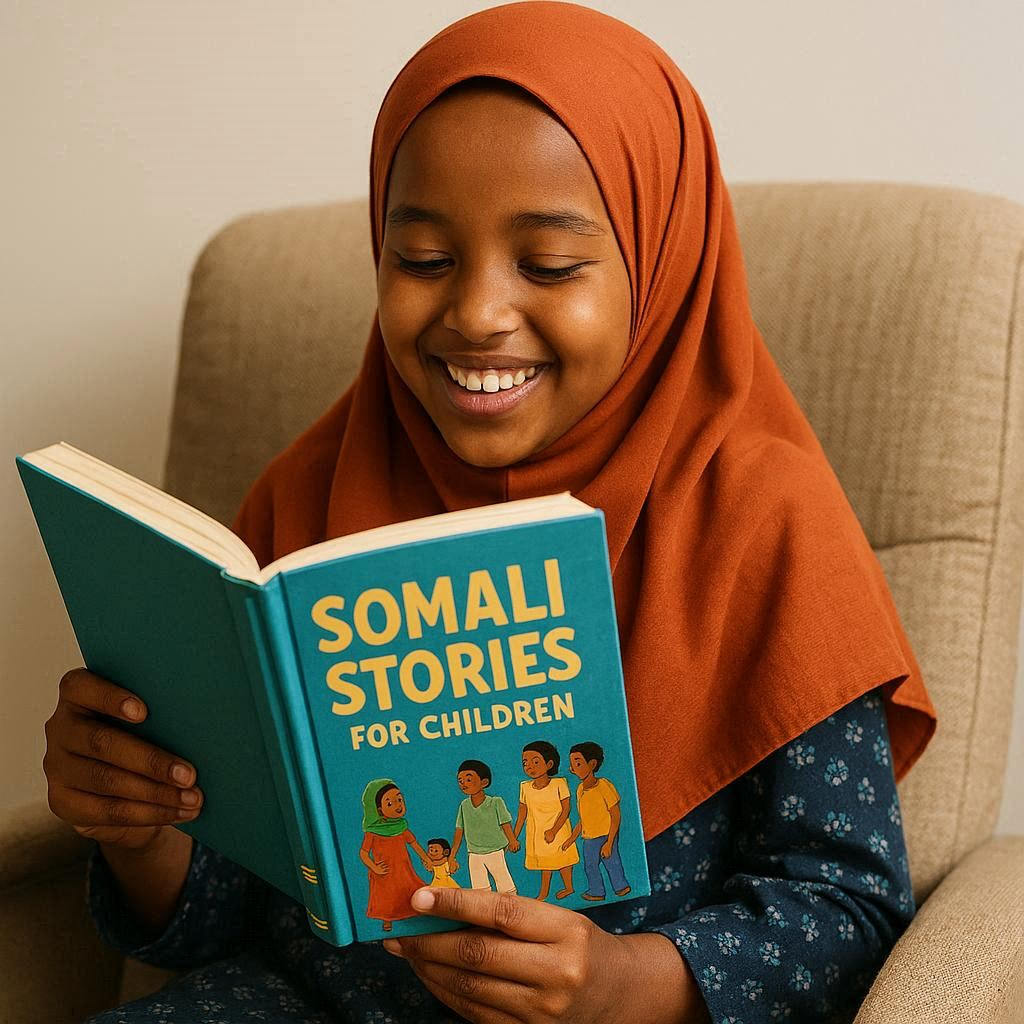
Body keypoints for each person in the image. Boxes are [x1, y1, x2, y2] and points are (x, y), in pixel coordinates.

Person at [44, 3, 938, 1022]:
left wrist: (621, 985)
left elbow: (849, 911)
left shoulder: (765, 520)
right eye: (421, 259)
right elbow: (221, 913)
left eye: (550, 265)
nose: (475, 313)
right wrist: (137, 824)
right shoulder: (302, 496)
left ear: (660, 260)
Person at [358, 778, 433, 932]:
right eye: (390, 803)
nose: (398, 805)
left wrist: (426, 859)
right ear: (379, 810)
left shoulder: (401, 827)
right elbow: (363, 853)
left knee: (408, 891)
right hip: (384, 872)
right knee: (387, 898)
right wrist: (374, 868)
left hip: (403, 869)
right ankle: (387, 922)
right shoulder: (372, 832)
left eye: (399, 799)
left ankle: (414, 915)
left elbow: (414, 844)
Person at [561, 741, 631, 901]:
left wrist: (610, 841)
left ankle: (621, 887)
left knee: (612, 862)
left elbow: (615, 815)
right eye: (572, 764)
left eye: (578, 763)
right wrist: (572, 838)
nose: (573, 768)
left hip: (606, 834)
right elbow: (582, 819)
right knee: (590, 866)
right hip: (589, 837)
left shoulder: (604, 785)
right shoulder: (579, 790)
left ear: (592, 764)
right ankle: (596, 892)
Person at [513, 740, 579, 900]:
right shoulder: (525, 787)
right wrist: (514, 835)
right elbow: (522, 812)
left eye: (536, 761)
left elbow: (566, 809)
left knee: (564, 859)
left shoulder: (559, 783)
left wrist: (554, 831)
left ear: (549, 764)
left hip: (558, 829)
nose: (530, 766)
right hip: (537, 831)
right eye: (525, 762)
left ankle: (569, 887)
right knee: (545, 864)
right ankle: (543, 892)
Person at [449, 759, 520, 893]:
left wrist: (512, 840)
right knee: (480, 889)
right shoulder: (464, 805)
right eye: (460, 780)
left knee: (504, 885)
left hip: (494, 850)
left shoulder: (495, 802)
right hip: (474, 853)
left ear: (484, 782)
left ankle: (512, 908)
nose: (463, 784)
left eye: (468, 779)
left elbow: (505, 823)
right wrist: (452, 856)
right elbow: (459, 832)